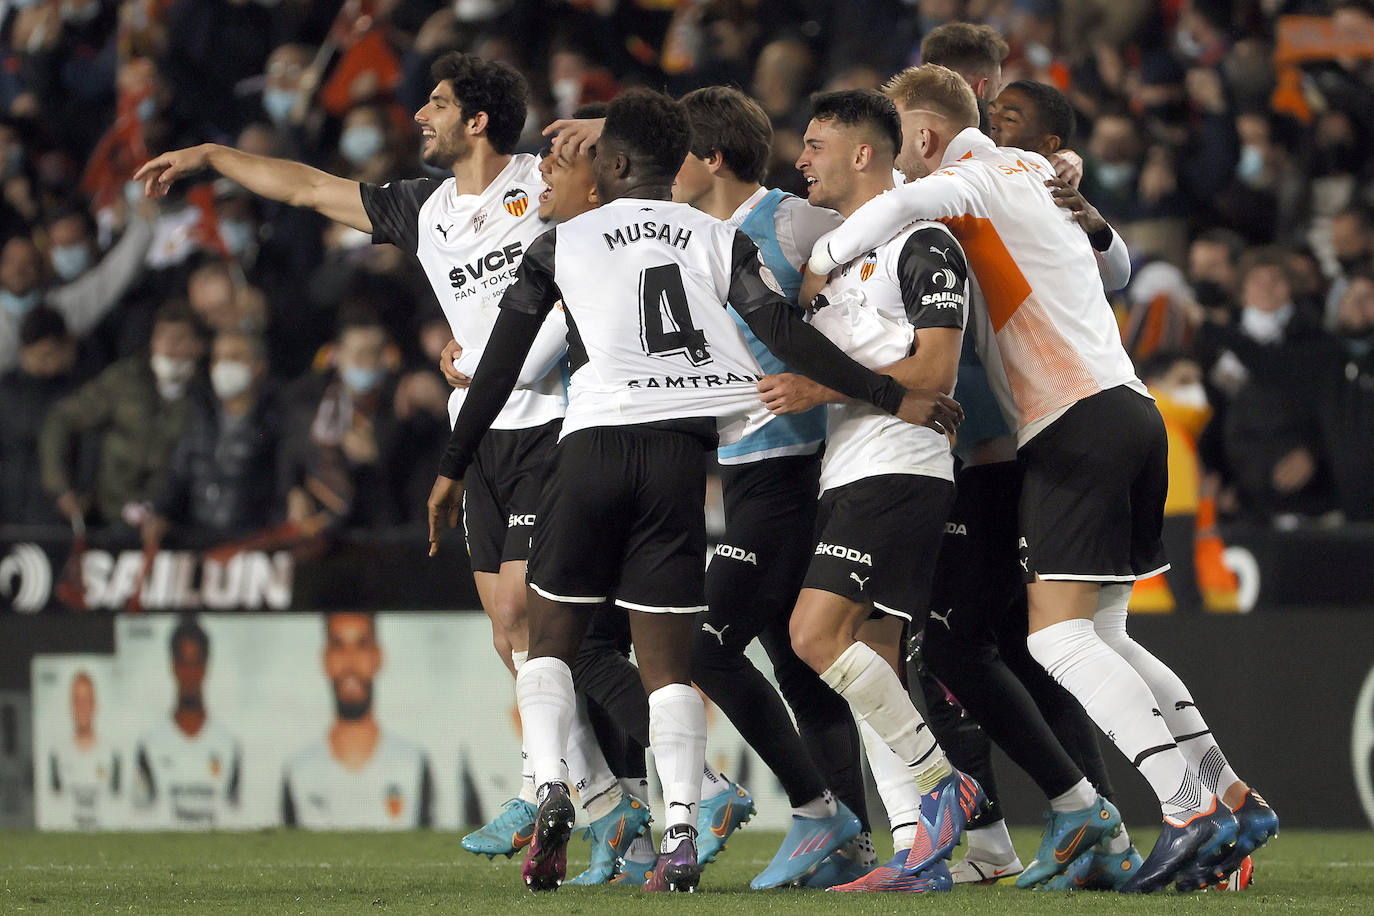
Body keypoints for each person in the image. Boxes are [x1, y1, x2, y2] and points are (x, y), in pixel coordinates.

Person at [425, 87, 960, 894]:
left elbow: (499, 365)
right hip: (681, 463)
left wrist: (452, 464)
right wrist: (893, 394)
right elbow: (780, 331)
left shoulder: (561, 241)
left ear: (609, 165)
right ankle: (681, 828)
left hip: (594, 450)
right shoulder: (716, 237)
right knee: (671, 662)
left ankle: (551, 792)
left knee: (547, 643)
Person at [807, 62, 1279, 894]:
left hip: (1073, 421)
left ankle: (1187, 808)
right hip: (1130, 408)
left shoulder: (972, 178)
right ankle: (1230, 794)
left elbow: (904, 204)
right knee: (1103, 635)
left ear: (920, 135)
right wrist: (1095, 217)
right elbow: (1121, 266)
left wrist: (823, 261)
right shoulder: (1033, 173)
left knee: (1057, 640)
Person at [910, 75, 1138, 889]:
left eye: (1008, 120)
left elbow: (1117, 270)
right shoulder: (969, 194)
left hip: (1010, 453)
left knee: (977, 643)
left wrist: (1072, 182)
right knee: (1021, 648)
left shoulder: (1013, 193)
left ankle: (1108, 812)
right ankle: (1089, 830)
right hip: (1003, 451)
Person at [755, 88, 980, 894]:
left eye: (815, 144)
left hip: (901, 464)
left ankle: (942, 784)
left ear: (864, 154)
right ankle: (921, 852)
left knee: (815, 636)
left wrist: (820, 390)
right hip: (853, 466)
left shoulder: (924, 244)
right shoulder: (838, 259)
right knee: (874, 661)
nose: (801, 158)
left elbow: (936, 372)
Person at [672, 85, 869, 889]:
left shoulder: (792, 223)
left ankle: (822, 811)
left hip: (802, 470)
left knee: (705, 646)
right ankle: (850, 849)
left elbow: (885, 279)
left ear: (712, 158)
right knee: (797, 661)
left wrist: (833, 385)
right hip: (746, 475)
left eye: (676, 152)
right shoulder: (687, 237)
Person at [39, 300, 205, 529]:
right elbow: (61, 418)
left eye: (179, 338)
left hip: (174, 524)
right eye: (161, 336)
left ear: (199, 345)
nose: (168, 346)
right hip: (112, 517)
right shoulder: (125, 380)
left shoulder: (207, 393)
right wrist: (60, 488)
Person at [282, 612, 434, 829]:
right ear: (325, 659)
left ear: (378, 657)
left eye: (361, 645)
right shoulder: (299, 770)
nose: (350, 662)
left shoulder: (413, 764)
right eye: (338, 646)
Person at [145, 329, 280, 542]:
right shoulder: (200, 413)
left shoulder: (276, 420)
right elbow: (178, 472)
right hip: (197, 538)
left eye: (234, 357)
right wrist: (161, 512)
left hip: (251, 543)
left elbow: (280, 487)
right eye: (217, 358)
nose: (223, 366)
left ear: (259, 366)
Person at [0, 200, 155, 373]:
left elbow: (110, 277)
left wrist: (144, 223)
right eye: (10, 262)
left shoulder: (61, 307)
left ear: (42, 269)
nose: (18, 271)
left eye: (27, 264)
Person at [133, 616, 242, 828]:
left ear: (206, 666)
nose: (190, 673)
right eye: (183, 663)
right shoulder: (149, 744)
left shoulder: (229, 745)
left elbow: (236, 816)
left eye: (196, 663)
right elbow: (140, 817)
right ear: (173, 666)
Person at [0, 306, 78, 525]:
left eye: (49, 354)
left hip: (54, 511)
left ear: (67, 346)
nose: (44, 363)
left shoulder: (78, 395)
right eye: (37, 356)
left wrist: (81, 491)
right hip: (8, 506)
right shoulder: (6, 390)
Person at [46, 671, 120, 830]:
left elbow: (117, 801)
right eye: (77, 700)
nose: (82, 707)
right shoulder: (57, 754)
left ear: (94, 704)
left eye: (86, 700)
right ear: (71, 705)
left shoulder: (111, 754)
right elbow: (53, 801)